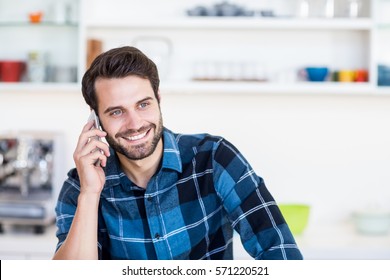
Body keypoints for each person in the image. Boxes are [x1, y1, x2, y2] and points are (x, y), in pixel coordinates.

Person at [53, 46, 303, 260]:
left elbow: (279, 250)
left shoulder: (214, 158)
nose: (135, 123)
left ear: (158, 99)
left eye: (143, 104)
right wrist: (90, 193)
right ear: (95, 119)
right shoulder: (80, 186)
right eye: (116, 112)